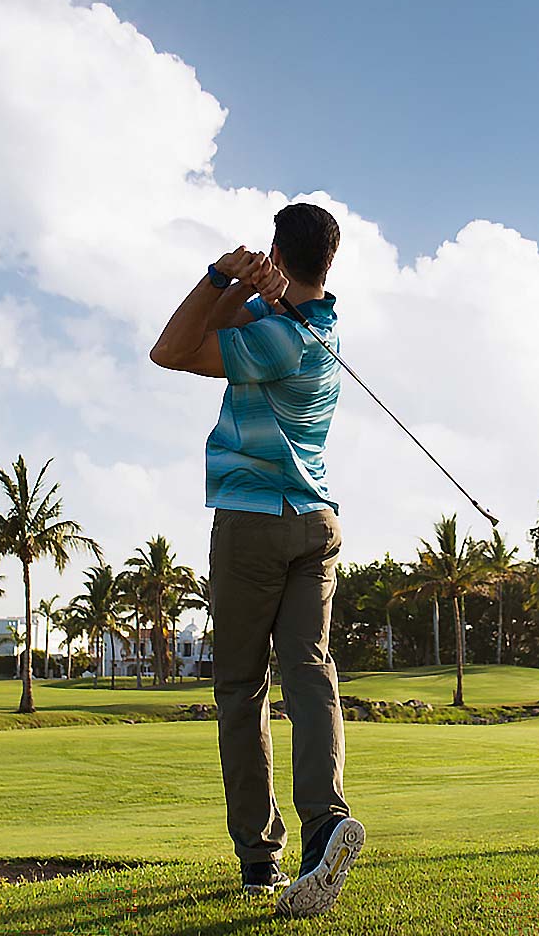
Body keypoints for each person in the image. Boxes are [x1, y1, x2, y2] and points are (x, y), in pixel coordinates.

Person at [148, 201, 365, 918]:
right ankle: (327, 824)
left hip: (253, 522)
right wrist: (261, 291)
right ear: (329, 262)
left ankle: (259, 860)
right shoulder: (321, 326)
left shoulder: (278, 340)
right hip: (317, 523)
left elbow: (172, 349)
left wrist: (221, 275)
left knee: (241, 688)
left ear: (278, 250)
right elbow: (231, 332)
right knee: (308, 669)